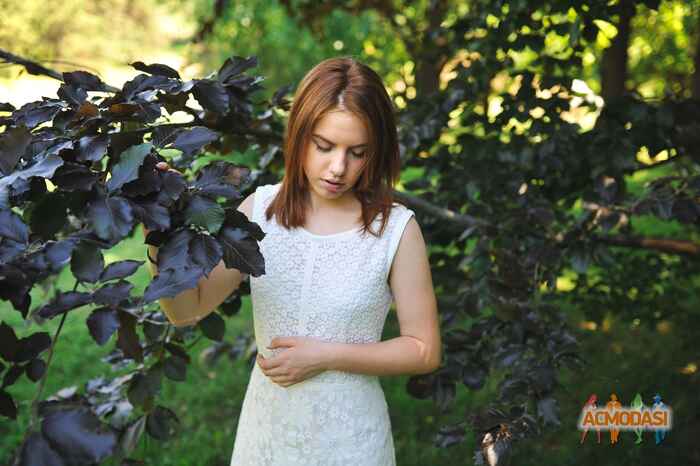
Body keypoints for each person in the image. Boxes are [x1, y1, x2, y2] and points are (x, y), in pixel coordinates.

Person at [145, 56, 441, 465]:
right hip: (267, 436)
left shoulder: (395, 230)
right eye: (324, 146)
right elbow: (186, 309)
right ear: (300, 135)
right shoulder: (259, 212)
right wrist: (155, 229)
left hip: (351, 440)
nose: (338, 167)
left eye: (357, 152)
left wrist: (326, 355)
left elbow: (424, 350)